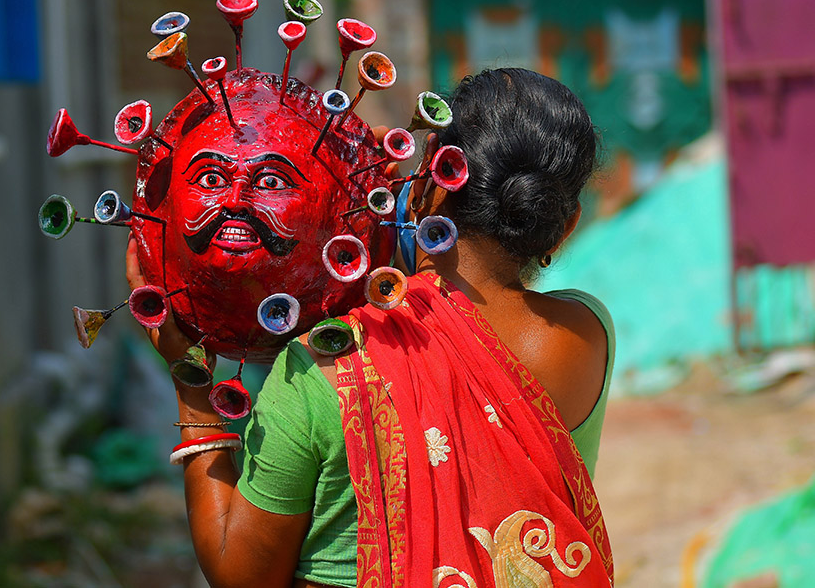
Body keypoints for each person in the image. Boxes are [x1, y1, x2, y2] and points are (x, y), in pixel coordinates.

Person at [126, 67, 615, 587]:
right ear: (564, 228)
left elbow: (238, 574)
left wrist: (192, 390)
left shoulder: (320, 370)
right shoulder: (588, 333)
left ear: (430, 179)